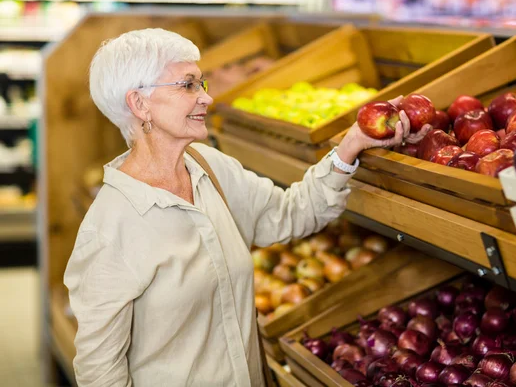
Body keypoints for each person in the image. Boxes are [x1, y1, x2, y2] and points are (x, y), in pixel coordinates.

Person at [63, 28, 430, 387]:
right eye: (188, 85)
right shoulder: (110, 229)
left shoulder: (208, 167)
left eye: (201, 83)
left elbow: (290, 213)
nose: (206, 97)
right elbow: (100, 373)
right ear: (139, 103)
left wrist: (352, 144)